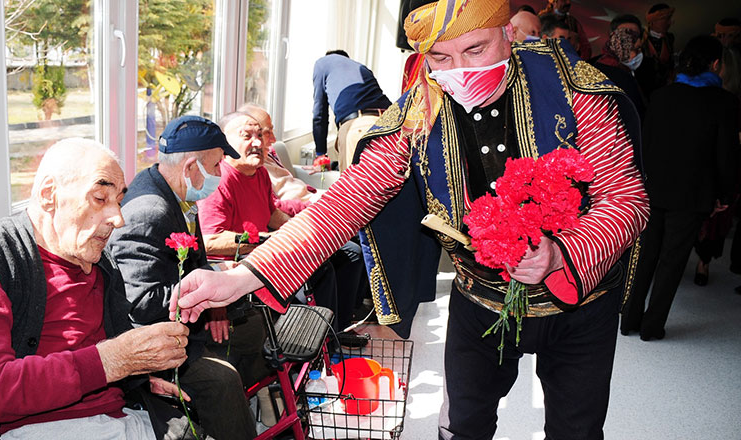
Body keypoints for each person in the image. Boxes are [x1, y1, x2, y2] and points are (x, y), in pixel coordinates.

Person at [175, 1, 648, 438]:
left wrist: (562, 252)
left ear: (509, 32)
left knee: (577, 430)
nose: (461, 71)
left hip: (581, 304)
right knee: (464, 424)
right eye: (440, 58)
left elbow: (626, 199)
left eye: (477, 49)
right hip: (479, 299)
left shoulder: (572, 88)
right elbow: (347, 202)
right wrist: (242, 277)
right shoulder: (420, 109)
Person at [0, 138, 203, 439]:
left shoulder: (98, 262)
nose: (118, 218)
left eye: (119, 200)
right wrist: (115, 360)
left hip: (119, 413)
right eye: (99, 198)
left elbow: (92, 349)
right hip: (39, 426)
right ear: (48, 194)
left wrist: (138, 378)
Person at [106, 115, 258, 440]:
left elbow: (196, 265)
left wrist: (216, 304)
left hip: (187, 323)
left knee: (260, 327)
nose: (220, 174)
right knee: (223, 380)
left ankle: (244, 417)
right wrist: (209, 291)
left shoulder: (181, 195)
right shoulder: (149, 212)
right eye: (216, 166)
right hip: (157, 345)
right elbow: (141, 304)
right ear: (191, 167)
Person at [198, 112, 366, 332]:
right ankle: (313, 345)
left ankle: (337, 331)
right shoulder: (219, 181)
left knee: (348, 254)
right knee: (319, 271)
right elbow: (210, 240)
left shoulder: (259, 174)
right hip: (240, 264)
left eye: (259, 135)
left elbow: (271, 214)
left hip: (265, 249)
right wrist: (266, 240)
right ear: (225, 143)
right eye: (247, 136)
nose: (257, 142)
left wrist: (302, 230)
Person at [623, 35, 739, 341]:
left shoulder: (663, 95)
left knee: (646, 255)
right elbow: (727, 155)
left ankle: (629, 319)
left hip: (653, 189)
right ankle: (652, 327)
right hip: (692, 194)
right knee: (672, 262)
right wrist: (725, 195)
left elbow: (644, 144)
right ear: (716, 64)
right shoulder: (724, 102)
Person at [312, 50, 392, 171]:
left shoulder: (322, 63)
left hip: (357, 126)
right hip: (389, 125)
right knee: (380, 184)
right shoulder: (362, 68)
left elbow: (319, 114)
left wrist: (321, 155)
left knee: (352, 187)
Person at [238, 103, 321, 216]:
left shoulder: (269, 153)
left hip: (312, 199)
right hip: (305, 211)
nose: (274, 139)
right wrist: (314, 205)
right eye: (267, 133)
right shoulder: (251, 168)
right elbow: (272, 206)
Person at [592, 27, 648, 117]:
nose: (640, 54)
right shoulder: (621, 76)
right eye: (636, 49)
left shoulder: (598, 65)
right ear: (624, 48)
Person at [641, 4, 676, 98]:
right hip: (645, 91)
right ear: (653, 21)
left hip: (665, 91)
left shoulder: (669, 38)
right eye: (666, 19)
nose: (670, 23)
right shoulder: (640, 40)